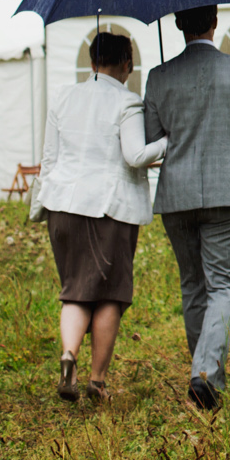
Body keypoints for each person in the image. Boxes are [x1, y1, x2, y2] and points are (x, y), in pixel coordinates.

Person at [142, 3, 230, 411]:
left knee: (193, 285)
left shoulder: (158, 77)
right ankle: (205, 374)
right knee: (224, 286)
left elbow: (152, 141)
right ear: (215, 21)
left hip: (176, 196)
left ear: (178, 24)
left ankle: (204, 374)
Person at [34, 30, 167, 403]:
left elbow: (49, 158)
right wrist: (167, 141)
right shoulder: (127, 102)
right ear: (127, 64)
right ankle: (97, 382)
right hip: (109, 210)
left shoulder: (63, 97)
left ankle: (68, 356)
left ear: (92, 62)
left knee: (75, 290)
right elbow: (135, 156)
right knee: (110, 294)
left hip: (61, 207)